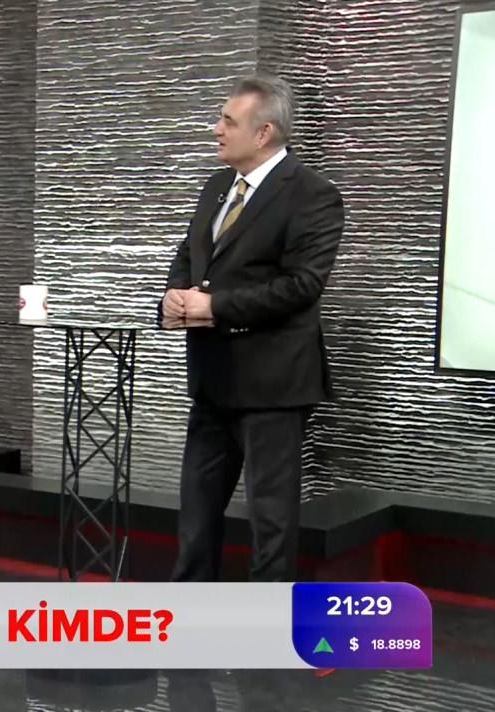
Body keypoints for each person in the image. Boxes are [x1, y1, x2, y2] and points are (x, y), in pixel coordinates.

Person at [161, 74, 344, 582]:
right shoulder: (217, 185)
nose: (215, 129)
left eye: (227, 121)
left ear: (264, 133)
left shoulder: (312, 194)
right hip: (212, 381)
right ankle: (189, 611)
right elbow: (190, 253)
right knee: (196, 516)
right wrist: (174, 297)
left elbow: (302, 286)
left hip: (273, 387)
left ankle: (265, 622)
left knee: (271, 523)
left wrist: (215, 307)